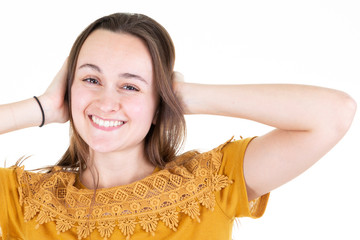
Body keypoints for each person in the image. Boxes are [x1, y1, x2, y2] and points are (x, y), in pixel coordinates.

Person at [0, 12, 356, 240]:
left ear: (159, 101)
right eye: (91, 79)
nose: (107, 103)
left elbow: (334, 113)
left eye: (131, 86)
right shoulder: (23, 200)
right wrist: (41, 108)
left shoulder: (211, 184)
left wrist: (182, 96)